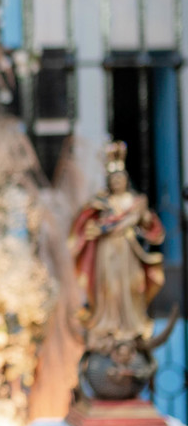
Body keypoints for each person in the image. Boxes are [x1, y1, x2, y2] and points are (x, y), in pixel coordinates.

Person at [69, 140, 165, 353]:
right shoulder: (102, 203)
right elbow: (87, 226)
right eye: (113, 179)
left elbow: (150, 226)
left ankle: (132, 325)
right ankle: (108, 323)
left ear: (126, 180)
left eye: (120, 178)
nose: (117, 182)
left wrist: (143, 217)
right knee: (108, 287)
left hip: (127, 250)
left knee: (131, 285)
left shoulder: (134, 202)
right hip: (107, 250)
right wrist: (96, 228)